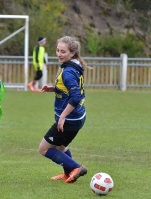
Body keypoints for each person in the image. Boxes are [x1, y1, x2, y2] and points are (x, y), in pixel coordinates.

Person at [38, 36, 88, 183]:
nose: (59, 54)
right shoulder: (73, 65)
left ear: (72, 53)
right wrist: (54, 89)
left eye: (63, 51)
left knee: (44, 149)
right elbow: (71, 90)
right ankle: (68, 173)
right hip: (77, 117)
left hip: (70, 119)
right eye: (58, 50)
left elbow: (75, 97)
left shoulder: (68, 72)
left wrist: (62, 117)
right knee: (61, 146)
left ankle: (76, 167)